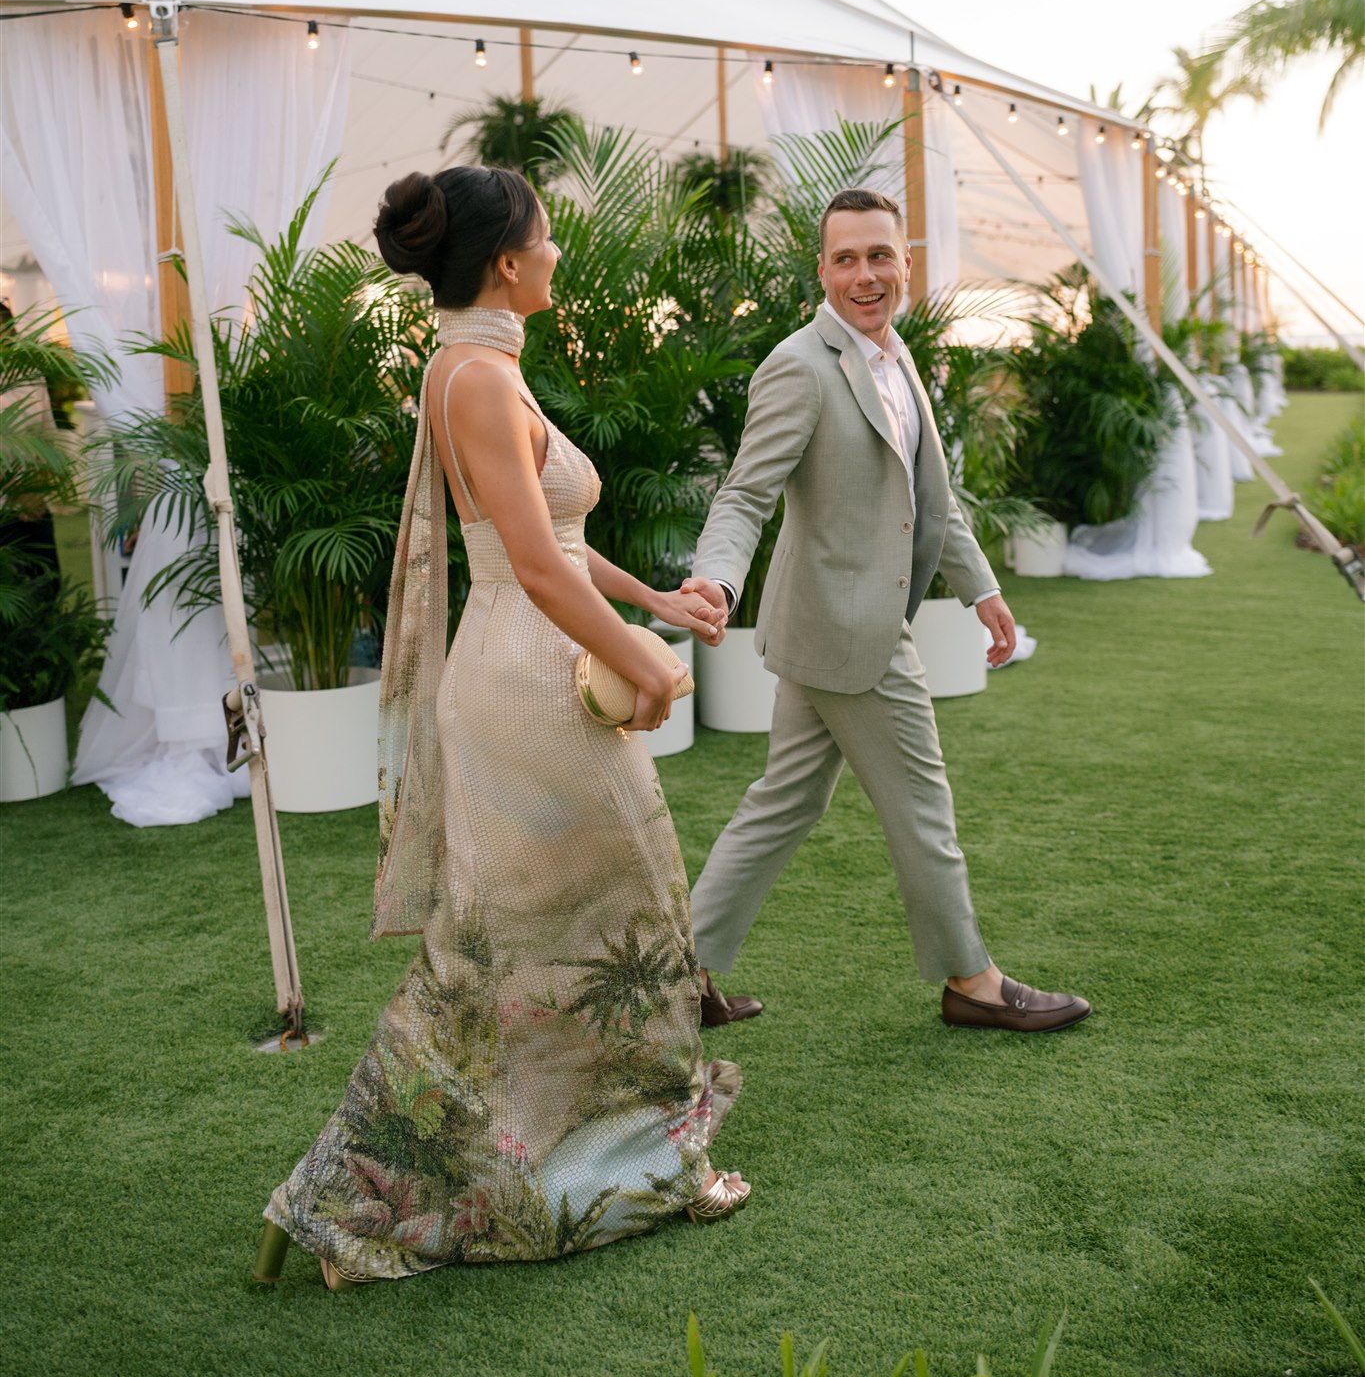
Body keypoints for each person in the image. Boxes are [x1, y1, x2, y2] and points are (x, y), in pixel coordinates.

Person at [255, 166, 746, 1291]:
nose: (560, 251)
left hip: (535, 662)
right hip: (529, 683)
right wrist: (639, 656)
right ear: (509, 260)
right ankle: (633, 1169)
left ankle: (409, 1178)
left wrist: (657, 603)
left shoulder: (484, 370)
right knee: (626, 911)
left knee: (530, 931)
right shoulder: (475, 376)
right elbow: (530, 565)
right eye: (547, 234)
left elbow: (558, 542)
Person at [681, 186, 1090, 1037]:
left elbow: (930, 495)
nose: (864, 275)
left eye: (879, 256)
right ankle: (972, 981)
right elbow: (745, 494)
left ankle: (678, 973)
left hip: (825, 628)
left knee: (782, 802)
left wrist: (982, 589)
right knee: (922, 808)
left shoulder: (895, 353)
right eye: (845, 259)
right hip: (847, 631)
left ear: (903, 265)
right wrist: (716, 581)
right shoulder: (798, 365)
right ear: (820, 271)